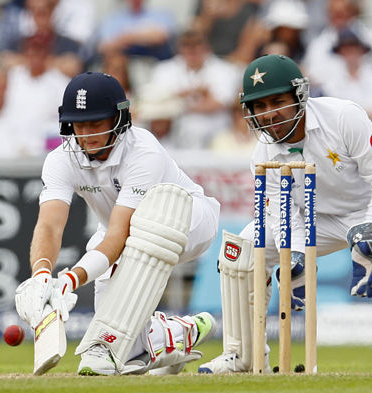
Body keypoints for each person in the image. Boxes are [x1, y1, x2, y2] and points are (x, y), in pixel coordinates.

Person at [198, 54, 372, 375]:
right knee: (245, 246)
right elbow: (283, 213)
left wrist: (371, 227)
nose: (269, 115)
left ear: (299, 96)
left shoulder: (343, 116)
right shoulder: (263, 154)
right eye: (259, 107)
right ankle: (242, 354)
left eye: (277, 102)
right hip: (324, 217)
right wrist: (292, 255)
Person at [14, 71, 220, 376]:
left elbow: (120, 234)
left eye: (96, 123)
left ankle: (131, 340)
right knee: (125, 356)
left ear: (119, 119)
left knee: (139, 236)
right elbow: (49, 226)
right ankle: (172, 336)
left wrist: (70, 280)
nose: (86, 133)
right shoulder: (60, 159)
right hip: (125, 231)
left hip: (189, 218)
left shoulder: (143, 151)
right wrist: (42, 276)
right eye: (79, 124)